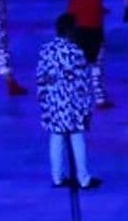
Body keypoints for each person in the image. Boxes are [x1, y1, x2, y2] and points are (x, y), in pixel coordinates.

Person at [39, 17, 104, 190]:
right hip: (72, 103)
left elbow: (41, 78)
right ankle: (83, 178)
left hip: (53, 102)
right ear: (70, 31)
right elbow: (82, 83)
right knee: (77, 137)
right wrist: (87, 108)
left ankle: (57, 177)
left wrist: (44, 102)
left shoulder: (46, 50)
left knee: (56, 137)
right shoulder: (75, 53)